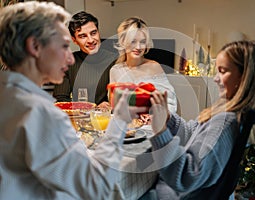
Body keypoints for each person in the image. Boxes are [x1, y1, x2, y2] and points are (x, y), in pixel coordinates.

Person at [0, 2, 147, 199]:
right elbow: (98, 187)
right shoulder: (41, 115)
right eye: (62, 45)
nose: (70, 59)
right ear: (35, 47)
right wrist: (120, 119)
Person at [145, 40, 255, 199]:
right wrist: (168, 118)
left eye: (223, 71)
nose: (215, 79)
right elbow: (193, 133)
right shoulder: (228, 112)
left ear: (244, 77)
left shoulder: (225, 123)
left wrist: (160, 132)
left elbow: (186, 176)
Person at [110, 16, 177, 116]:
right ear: (123, 41)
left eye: (142, 42)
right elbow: (115, 105)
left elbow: (170, 103)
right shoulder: (115, 70)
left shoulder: (154, 67)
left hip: (152, 125)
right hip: (126, 125)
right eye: (133, 41)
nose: (138, 47)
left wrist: (153, 116)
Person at [53, 11, 116, 109]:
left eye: (93, 33)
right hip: (79, 120)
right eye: (83, 36)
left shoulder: (115, 60)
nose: (91, 40)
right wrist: (93, 108)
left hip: (107, 120)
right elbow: (61, 100)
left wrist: (108, 105)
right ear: (74, 40)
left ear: (98, 32)